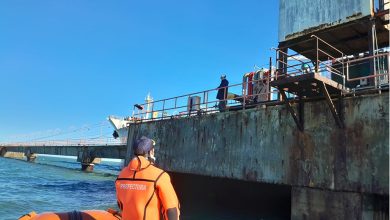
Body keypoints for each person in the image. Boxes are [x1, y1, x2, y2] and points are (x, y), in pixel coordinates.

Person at [115, 136, 180, 220]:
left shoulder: (121, 175)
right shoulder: (160, 176)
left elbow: (120, 204)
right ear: (151, 152)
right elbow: (172, 209)